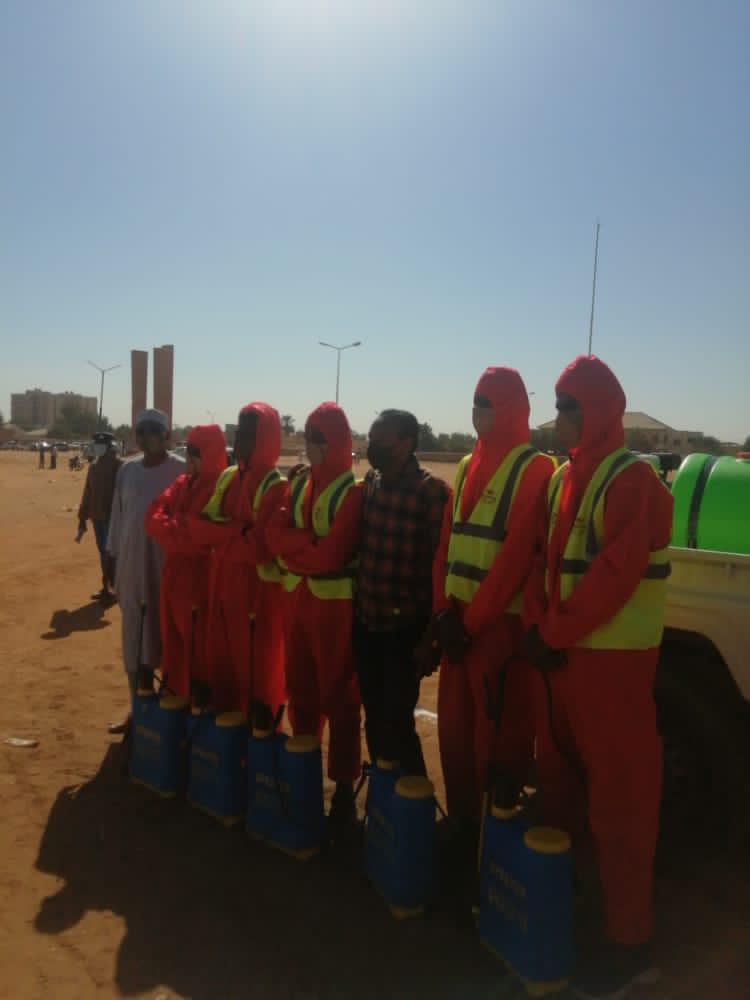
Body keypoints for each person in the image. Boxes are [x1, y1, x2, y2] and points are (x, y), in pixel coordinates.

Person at [522, 356, 673, 1000]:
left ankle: (630, 945)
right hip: (565, 666)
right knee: (562, 791)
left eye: (569, 406)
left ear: (599, 412)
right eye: (558, 405)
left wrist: (551, 634)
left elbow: (614, 576)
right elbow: (543, 563)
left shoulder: (633, 481)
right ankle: (578, 906)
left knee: (621, 808)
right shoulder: (562, 478)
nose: (558, 417)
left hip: (612, 671)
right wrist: (540, 629)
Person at [431, 367, 554, 836]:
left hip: (498, 630)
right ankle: (463, 825)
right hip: (457, 624)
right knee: (454, 734)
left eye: (487, 402)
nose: (478, 411)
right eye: (475, 401)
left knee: (498, 737)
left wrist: (468, 625)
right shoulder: (467, 465)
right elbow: (446, 544)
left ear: (510, 408)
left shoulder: (535, 469)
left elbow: (516, 559)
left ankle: (493, 836)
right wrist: (442, 612)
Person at [267, 403, 363, 828]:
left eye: (318, 439)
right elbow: (273, 536)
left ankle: (342, 789)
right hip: (299, 605)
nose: (310, 446)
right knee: (300, 691)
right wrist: (306, 544)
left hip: (335, 610)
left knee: (340, 698)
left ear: (336, 443)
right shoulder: (300, 483)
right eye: (308, 438)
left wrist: (296, 548)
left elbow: (332, 555)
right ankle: (305, 774)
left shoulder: (353, 493)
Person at [354, 410, 449, 775]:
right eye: (371, 439)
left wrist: (430, 638)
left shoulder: (431, 493)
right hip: (367, 624)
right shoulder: (371, 481)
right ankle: (384, 792)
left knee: (397, 722)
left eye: (381, 441)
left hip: (404, 632)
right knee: (374, 717)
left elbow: (438, 569)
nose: (373, 447)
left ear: (406, 443)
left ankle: (412, 797)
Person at [190, 403, 287, 725]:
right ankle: (226, 738)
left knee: (257, 673)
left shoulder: (274, 485)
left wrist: (221, 535)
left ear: (264, 438)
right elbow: (200, 527)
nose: (238, 438)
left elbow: (257, 548)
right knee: (222, 666)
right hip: (222, 586)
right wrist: (236, 531)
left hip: (256, 596)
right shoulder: (229, 476)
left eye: (247, 433)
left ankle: (258, 737)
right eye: (238, 431)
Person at [105, 410, 184, 734]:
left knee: (169, 640)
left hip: (167, 572)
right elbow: (117, 517)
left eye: (153, 430)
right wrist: (111, 557)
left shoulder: (180, 470)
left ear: (166, 436)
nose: (146, 437)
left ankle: (169, 714)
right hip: (131, 569)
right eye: (141, 431)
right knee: (135, 641)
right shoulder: (127, 470)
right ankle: (138, 711)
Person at [145, 425, 227, 702]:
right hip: (173, 576)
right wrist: (179, 526)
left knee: (197, 650)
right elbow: (152, 517)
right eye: (188, 450)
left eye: (196, 451)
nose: (189, 457)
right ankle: (174, 703)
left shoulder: (219, 489)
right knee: (173, 646)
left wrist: (173, 527)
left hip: (200, 581)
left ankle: (196, 708)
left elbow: (199, 538)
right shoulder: (182, 483)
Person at [76, 431, 123, 601]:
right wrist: (82, 517)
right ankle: (107, 587)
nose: (96, 448)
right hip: (97, 518)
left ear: (109, 447)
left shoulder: (121, 466)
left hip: (114, 519)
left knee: (112, 554)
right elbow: (87, 492)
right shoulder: (94, 467)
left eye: (99, 445)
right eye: (95, 445)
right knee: (104, 553)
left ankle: (114, 588)